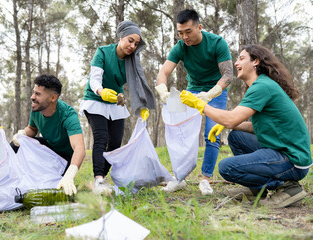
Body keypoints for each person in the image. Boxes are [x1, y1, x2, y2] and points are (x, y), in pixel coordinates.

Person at [180, 44, 312, 208]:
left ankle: (287, 187)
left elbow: (231, 119)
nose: (236, 63)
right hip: (283, 150)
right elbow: (259, 128)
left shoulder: (262, 87)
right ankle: (256, 189)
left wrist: (200, 105)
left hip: (292, 160)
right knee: (235, 136)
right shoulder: (261, 85)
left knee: (227, 168)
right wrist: (231, 126)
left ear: (255, 61)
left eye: (241, 58)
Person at [155, 9, 233, 194]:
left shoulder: (217, 43)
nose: (184, 37)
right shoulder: (181, 46)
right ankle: (178, 177)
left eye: (188, 31)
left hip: (215, 92)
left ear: (199, 27)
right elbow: (163, 72)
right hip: (192, 90)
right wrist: (162, 90)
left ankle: (205, 179)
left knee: (211, 134)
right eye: (180, 33)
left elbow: (229, 74)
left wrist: (211, 93)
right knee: (176, 129)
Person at [79, 20, 156, 194]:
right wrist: (101, 91)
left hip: (115, 102)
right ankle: (98, 178)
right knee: (101, 137)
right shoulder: (103, 52)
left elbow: (137, 83)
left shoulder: (132, 61)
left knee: (115, 141)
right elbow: (94, 78)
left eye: (136, 43)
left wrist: (142, 105)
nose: (132, 46)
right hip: (96, 99)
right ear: (121, 37)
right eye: (130, 40)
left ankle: (102, 179)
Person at [11, 74, 85, 196]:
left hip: (64, 159)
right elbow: (32, 129)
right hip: (48, 151)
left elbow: (80, 148)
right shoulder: (36, 108)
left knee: (50, 185)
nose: (32, 97)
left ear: (53, 98)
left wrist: (70, 174)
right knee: (16, 145)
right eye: (33, 92)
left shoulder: (68, 114)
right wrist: (23, 133)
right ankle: (11, 179)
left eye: (38, 94)